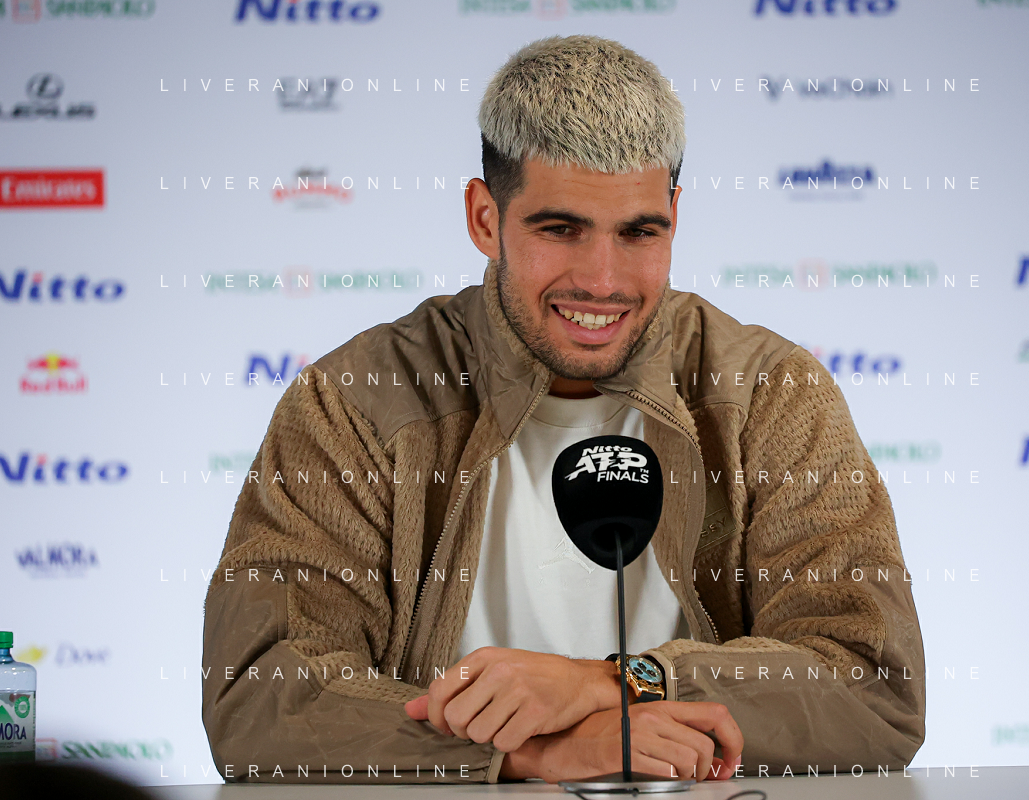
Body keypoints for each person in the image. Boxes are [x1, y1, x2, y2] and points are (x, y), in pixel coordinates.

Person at [201, 34, 925, 785]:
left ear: (674, 216)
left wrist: (612, 683)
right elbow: (262, 703)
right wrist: (531, 756)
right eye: (560, 229)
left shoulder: (769, 393)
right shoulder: (355, 400)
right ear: (485, 218)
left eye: (638, 232)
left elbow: (873, 691)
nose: (602, 281)